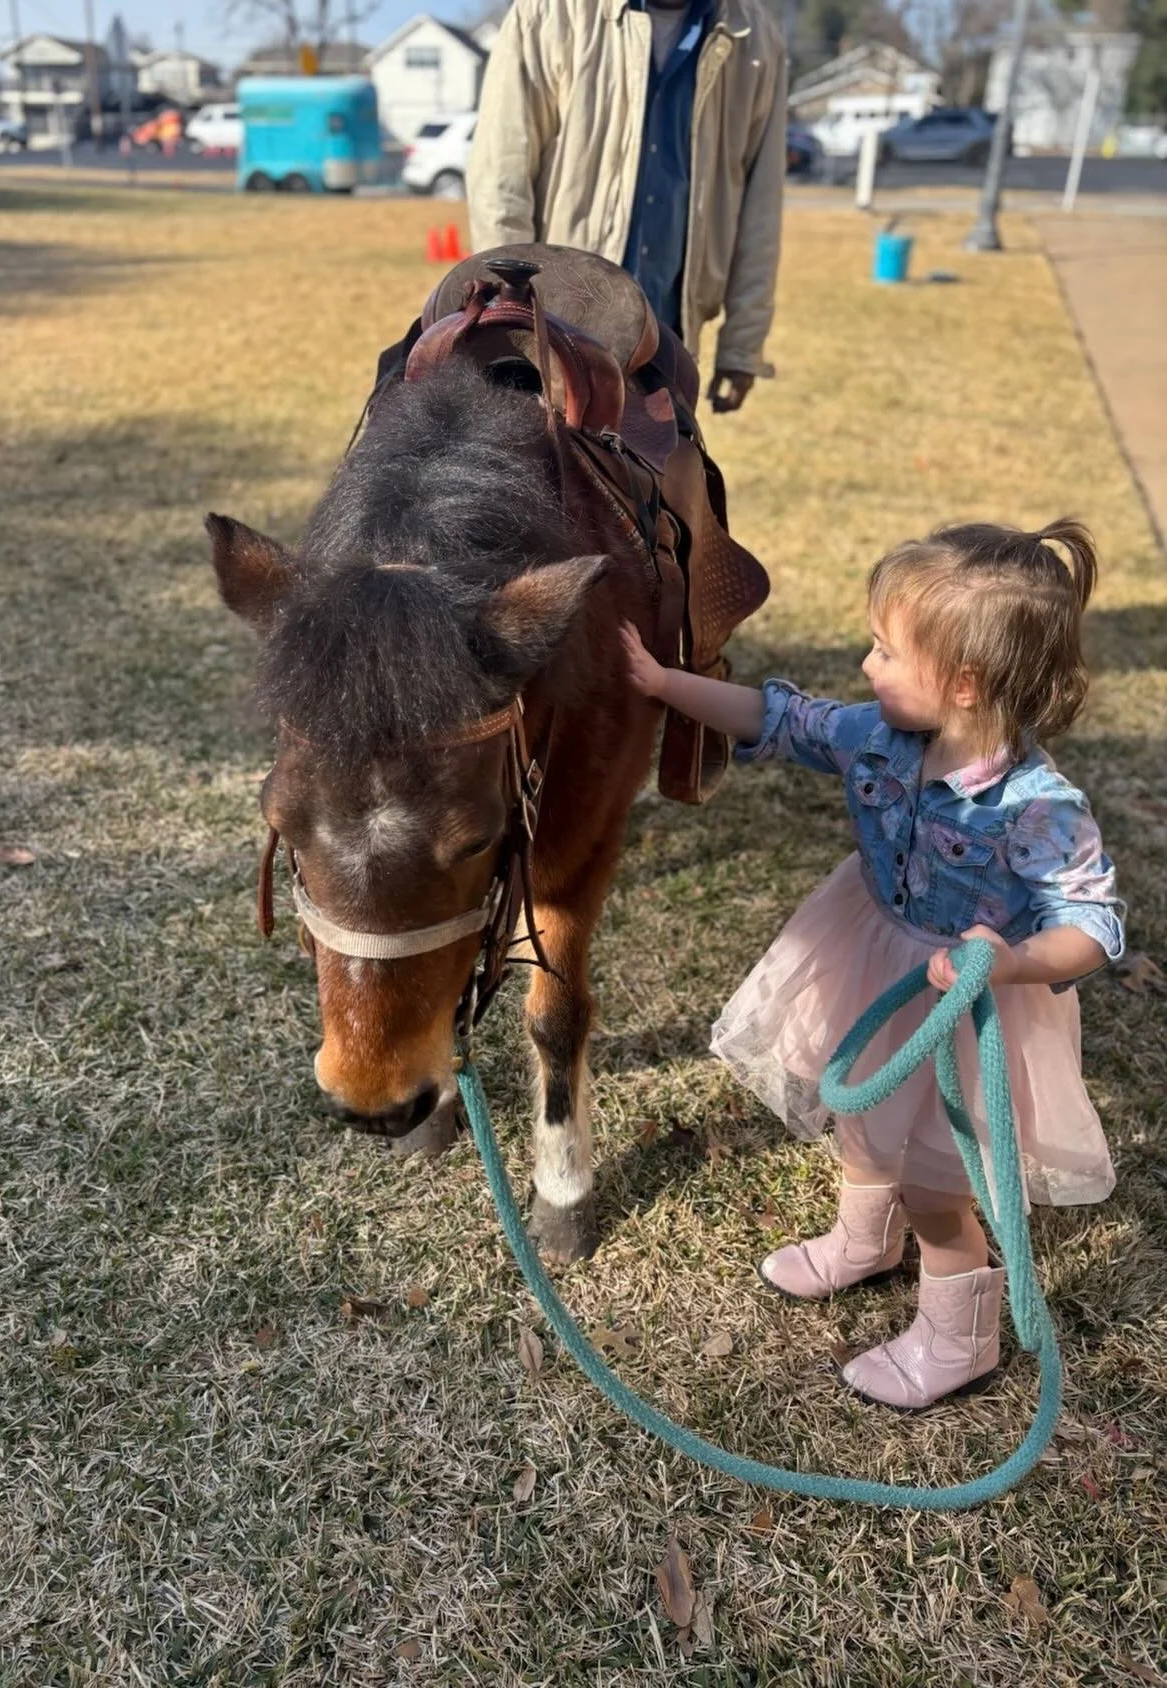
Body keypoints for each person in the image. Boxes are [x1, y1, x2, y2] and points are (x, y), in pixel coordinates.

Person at [621, 519, 1124, 1410]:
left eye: (887, 650)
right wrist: (665, 684)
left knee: (937, 1184)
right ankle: (864, 1241)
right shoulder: (878, 736)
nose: (866, 663)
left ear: (964, 683)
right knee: (859, 1115)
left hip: (967, 1007)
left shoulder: (1040, 809)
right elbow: (779, 719)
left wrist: (1009, 963)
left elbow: (1091, 923)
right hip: (870, 952)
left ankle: (956, 1337)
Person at [466, 0, 787, 414]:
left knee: (664, 473)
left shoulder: (755, 38)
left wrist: (742, 346)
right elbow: (501, 177)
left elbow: (761, 203)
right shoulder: (549, 14)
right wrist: (512, 318)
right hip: (556, 330)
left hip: (669, 342)